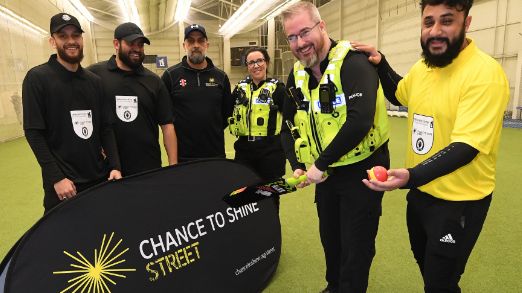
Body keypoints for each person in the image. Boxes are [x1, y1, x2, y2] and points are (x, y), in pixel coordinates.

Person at [354, 0, 510, 291]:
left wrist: (412, 175)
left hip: (459, 204)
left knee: (440, 282)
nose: (435, 31)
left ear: (467, 23)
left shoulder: (484, 74)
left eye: (447, 21)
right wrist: (380, 61)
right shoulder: (423, 67)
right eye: (429, 22)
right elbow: (400, 92)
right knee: (431, 275)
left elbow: (466, 146)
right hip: (420, 196)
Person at [280, 2, 391, 292]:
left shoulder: (353, 62)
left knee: (357, 247)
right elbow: (286, 127)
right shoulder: (297, 74)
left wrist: (319, 165)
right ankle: (333, 287)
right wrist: (298, 164)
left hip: (362, 172)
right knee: (331, 240)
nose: (300, 43)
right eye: (292, 37)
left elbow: (360, 120)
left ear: (321, 26)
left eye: (304, 32)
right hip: (327, 175)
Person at [22, 13, 121, 213]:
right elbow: (34, 133)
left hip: (98, 179)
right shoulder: (37, 79)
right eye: (63, 36)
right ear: (52, 41)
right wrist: (56, 178)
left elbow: (105, 128)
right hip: (64, 187)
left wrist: (115, 166)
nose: (71, 41)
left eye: (75, 35)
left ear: (82, 39)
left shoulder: (94, 82)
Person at [88, 22, 178, 176]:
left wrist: (174, 166)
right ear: (116, 44)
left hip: (148, 167)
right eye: (131, 43)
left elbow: (167, 126)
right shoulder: (94, 75)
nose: (137, 49)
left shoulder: (154, 81)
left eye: (141, 44)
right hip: (108, 169)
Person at [161, 24, 233, 162]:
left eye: (200, 40)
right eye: (191, 41)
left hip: (215, 156)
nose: (196, 45)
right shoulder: (170, 76)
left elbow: (225, 115)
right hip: (183, 157)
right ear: (184, 45)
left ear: (207, 45)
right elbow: (166, 119)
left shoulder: (221, 77)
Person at [228, 47, 287, 182]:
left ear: (266, 62)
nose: (256, 65)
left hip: (271, 151)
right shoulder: (239, 89)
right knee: (244, 193)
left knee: (270, 195)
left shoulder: (278, 89)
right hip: (244, 151)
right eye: (251, 62)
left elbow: (291, 119)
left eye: (259, 61)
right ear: (247, 67)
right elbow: (225, 112)